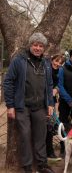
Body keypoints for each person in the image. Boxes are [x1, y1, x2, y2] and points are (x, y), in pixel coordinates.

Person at [4, 32, 55, 173]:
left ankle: (42, 165)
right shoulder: (19, 60)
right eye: (35, 45)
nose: (37, 48)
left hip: (40, 107)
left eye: (40, 46)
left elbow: (49, 84)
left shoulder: (46, 63)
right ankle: (27, 167)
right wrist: (10, 106)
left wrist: (50, 103)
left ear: (43, 48)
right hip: (22, 106)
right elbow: (8, 82)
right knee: (25, 136)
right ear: (30, 45)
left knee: (41, 136)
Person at [46, 54, 65, 161]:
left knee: (55, 125)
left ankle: (62, 147)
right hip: (44, 100)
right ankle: (49, 151)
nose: (57, 64)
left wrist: (56, 89)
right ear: (52, 59)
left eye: (60, 62)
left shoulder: (60, 72)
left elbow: (60, 84)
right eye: (56, 61)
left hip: (52, 101)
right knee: (49, 127)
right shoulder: (46, 68)